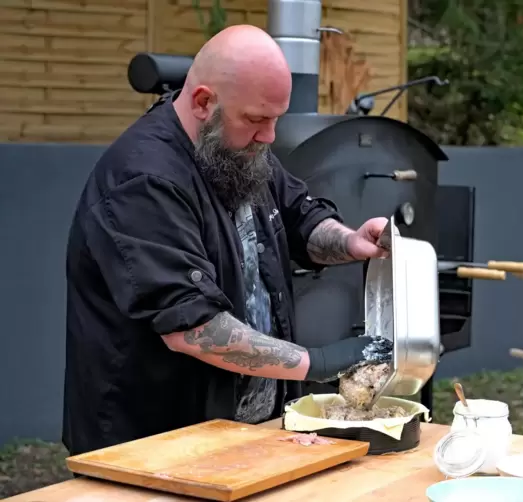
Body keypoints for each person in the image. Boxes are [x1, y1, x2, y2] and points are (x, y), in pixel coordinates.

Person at [62, 24, 393, 456]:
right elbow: (193, 327)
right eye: (257, 120)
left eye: (276, 119)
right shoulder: (144, 180)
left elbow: (298, 217)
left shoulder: (237, 145)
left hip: (242, 433)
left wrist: (351, 242)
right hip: (150, 444)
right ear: (203, 102)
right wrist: (322, 363)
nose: (269, 137)